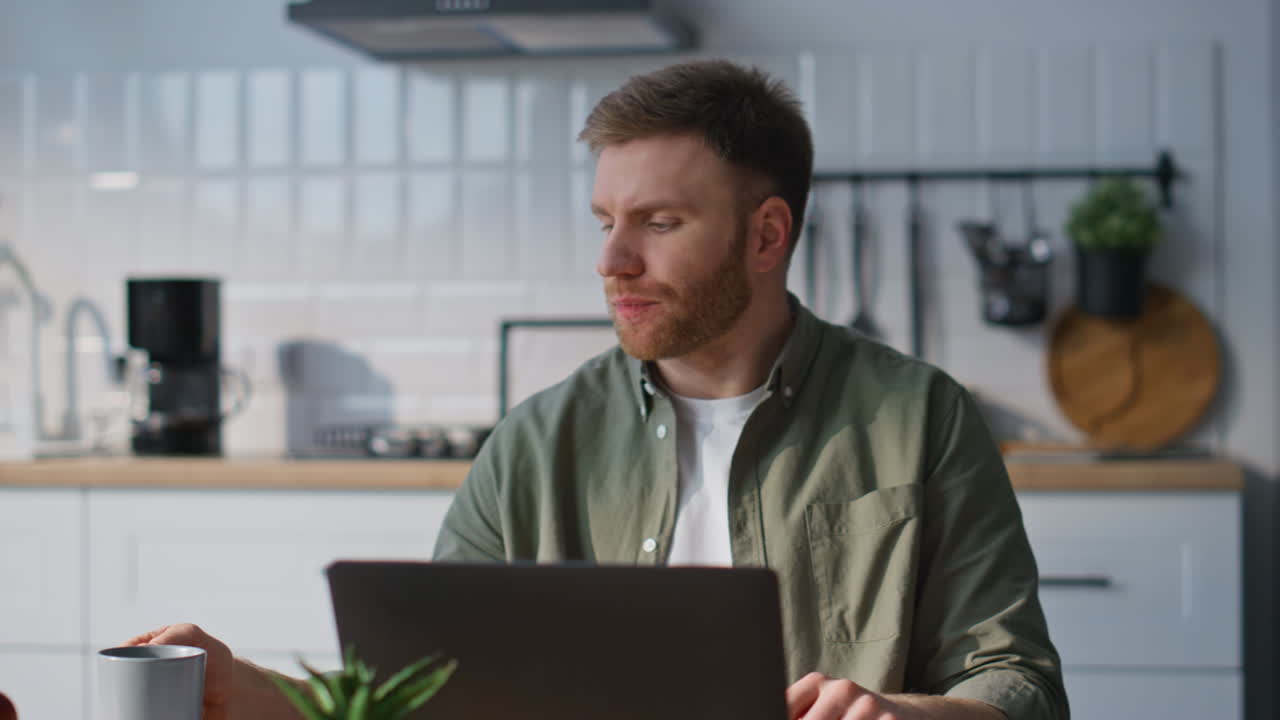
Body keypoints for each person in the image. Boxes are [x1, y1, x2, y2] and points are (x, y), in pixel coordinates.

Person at [128, 60, 1068, 720]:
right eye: (606, 219)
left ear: (767, 235)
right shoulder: (536, 442)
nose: (612, 261)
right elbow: (427, 698)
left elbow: (1017, 681)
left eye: (658, 221)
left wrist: (899, 710)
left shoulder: (919, 419)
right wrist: (249, 692)